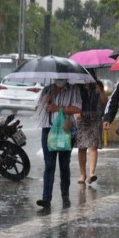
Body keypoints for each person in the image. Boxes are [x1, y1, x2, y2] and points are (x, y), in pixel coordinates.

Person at [34, 79, 82, 209]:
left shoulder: (73, 89)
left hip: (65, 130)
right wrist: (45, 101)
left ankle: (65, 195)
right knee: (49, 164)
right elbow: (37, 109)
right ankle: (46, 198)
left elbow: (78, 108)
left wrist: (57, 108)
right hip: (48, 130)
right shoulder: (47, 89)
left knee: (64, 164)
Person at [75, 80, 104, 185]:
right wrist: (77, 110)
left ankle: (91, 173)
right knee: (81, 147)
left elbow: (105, 102)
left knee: (93, 146)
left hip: (95, 118)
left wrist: (101, 91)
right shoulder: (77, 86)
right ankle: (82, 174)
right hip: (82, 117)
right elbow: (74, 100)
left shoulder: (97, 85)